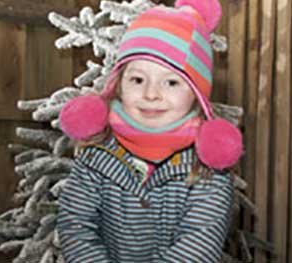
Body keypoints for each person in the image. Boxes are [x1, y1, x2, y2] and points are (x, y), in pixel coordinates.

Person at [57, 0, 243, 262]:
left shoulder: (208, 167)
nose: (151, 94)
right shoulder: (95, 153)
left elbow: (199, 244)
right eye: (137, 79)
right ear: (118, 84)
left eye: (171, 82)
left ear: (197, 95)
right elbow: (75, 229)